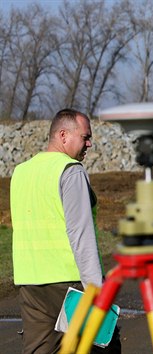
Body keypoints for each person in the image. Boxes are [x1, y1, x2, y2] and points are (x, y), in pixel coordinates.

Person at [11, 108, 121, 353]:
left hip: (30, 283)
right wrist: (97, 290)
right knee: (102, 347)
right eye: (85, 137)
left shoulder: (20, 172)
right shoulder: (70, 171)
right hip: (69, 284)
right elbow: (80, 233)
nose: (89, 144)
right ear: (63, 135)